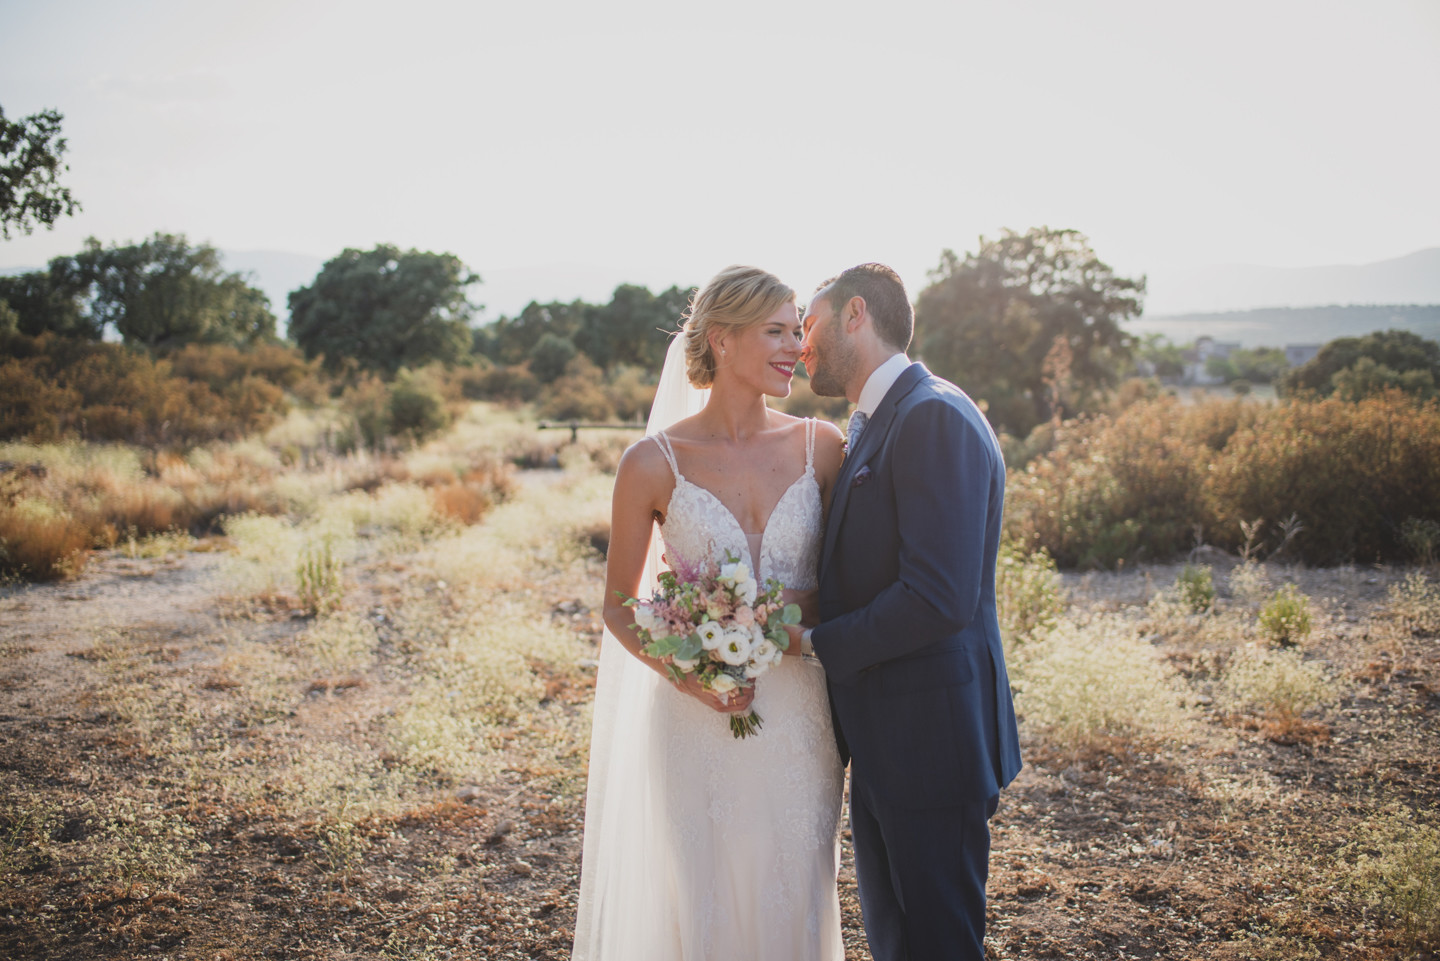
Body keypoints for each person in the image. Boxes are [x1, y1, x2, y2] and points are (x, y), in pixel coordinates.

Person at [572, 265, 848, 960]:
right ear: (722, 339)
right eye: (776, 332)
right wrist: (691, 676)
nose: (796, 347)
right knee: (706, 899)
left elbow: (849, 582)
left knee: (795, 889)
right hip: (697, 720)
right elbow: (621, 605)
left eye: (797, 331)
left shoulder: (823, 447)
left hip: (801, 717)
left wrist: (780, 615)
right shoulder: (651, 462)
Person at [792, 263, 1023, 961]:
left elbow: (937, 596)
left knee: (937, 945)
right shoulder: (881, 418)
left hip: (931, 744)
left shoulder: (931, 416)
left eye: (808, 325)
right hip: (892, 740)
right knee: (901, 943)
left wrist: (817, 643)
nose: (801, 345)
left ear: (855, 314)